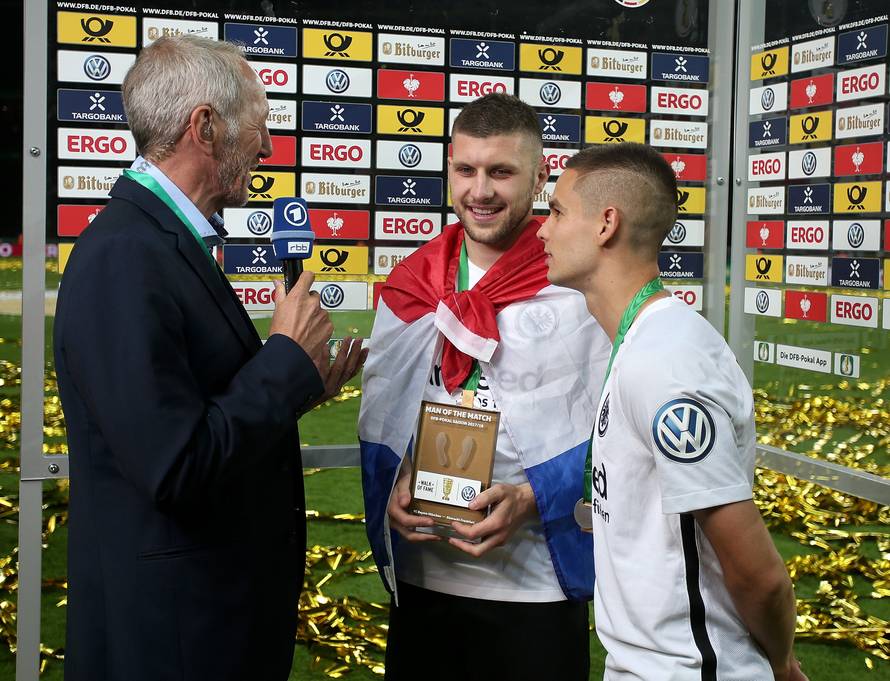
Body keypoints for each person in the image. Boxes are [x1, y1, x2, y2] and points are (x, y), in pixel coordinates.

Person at [54, 35, 365, 681]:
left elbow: (198, 412)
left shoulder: (157, 243)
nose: (269, 149)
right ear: (205, 126)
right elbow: (176, 464)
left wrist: (301, 380)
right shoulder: (125, 254)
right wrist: (281, 358)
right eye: (260, 127)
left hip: (203, 626)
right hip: (173, 640)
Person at [359, 93, 610, 681]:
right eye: (465, 170)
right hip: (424, 579)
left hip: (535, 587)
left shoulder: (579, 287)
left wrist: (528, 501)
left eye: (501, 172)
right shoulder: (411, 284)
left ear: (541, 176)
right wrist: (395, 483)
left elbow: (616, 426)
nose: (481, 190)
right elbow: (384, 413)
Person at [537, 142, 806, 681]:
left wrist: (782, 665)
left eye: (558, 211)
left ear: (605, 224)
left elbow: (758, 573)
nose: (543, 230)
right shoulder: (639, 342)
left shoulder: (667, 363)